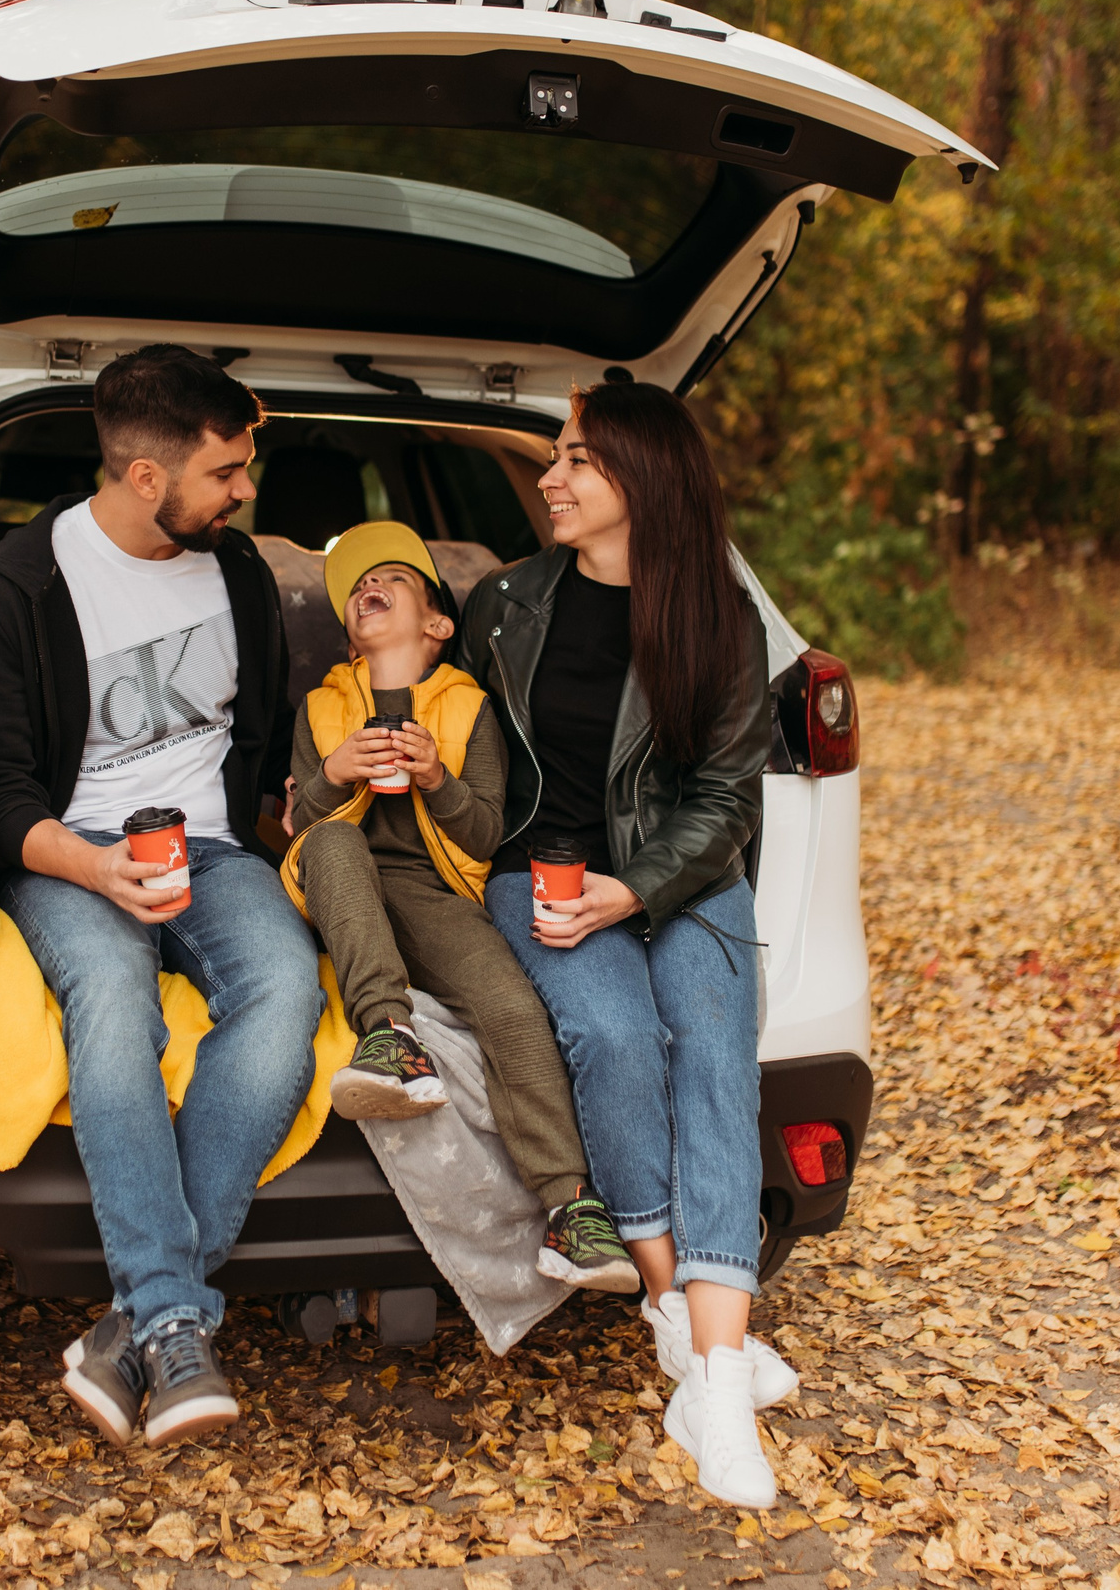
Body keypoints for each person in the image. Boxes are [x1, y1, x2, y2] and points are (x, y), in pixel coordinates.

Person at [0, 344, 318, 1450]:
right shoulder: (11, 592)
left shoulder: (240, 573)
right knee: (114, 997)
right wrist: (95, 865)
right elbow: (1, 799)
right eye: (226, 472)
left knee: (287, 988)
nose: (245, 490)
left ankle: (141, 1322)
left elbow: (251, 744)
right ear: (147, 478)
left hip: (208, 850)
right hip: (74, 850)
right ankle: (169, 1316)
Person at [459, 381, 797, 1510]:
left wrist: (632, 888)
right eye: (556, 458)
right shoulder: (505, 603)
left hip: (684, 875)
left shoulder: (719, 616)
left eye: (575, 461)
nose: (549, 478)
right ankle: (680, 1314)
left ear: (641, 481)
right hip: (541, 875)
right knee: (611, 1032)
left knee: (710, 1043)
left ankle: (710, 1377)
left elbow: (724, 796)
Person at [280, 521, 637, 1292]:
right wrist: (335, 772)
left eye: (393, 579)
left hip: (431, 888)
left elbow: (485, 830)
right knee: (338, 847)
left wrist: (438, 778)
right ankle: (390, 1038)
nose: (369, 588)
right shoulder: (320, 708)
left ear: (438, 624)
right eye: (356, 590)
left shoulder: (470, 707)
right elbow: (304, 830)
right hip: (340, 881)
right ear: (349, 634)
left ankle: (571, 1208)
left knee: (510, 1006)